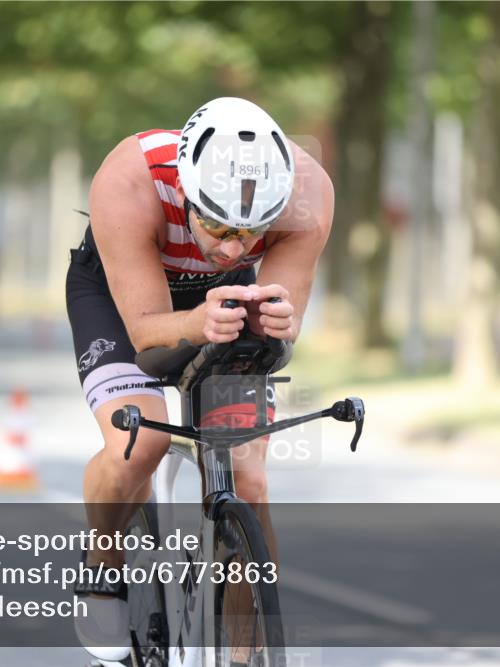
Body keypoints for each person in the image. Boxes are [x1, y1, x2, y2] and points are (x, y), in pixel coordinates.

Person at [66, 97, 334, 662]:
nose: (233, 249)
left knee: (250, 481)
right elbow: (145, 335)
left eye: (252, 231)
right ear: (187, 192)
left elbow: (281, 324)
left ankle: (243, 652)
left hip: (227, 301)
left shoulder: (309, 195)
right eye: (217, 226)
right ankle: (103, 562)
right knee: (139, 445)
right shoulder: (130, 180)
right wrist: (194, 321)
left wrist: (281, 322)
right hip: (122, 298)